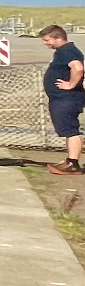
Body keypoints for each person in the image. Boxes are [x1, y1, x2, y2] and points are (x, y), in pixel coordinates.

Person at [41, 24, 84, 176]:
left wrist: (71, 84)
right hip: (61, 98)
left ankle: (73, 164)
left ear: (58, 37)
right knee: (66, 130)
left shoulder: (68, 51)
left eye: (47, 40)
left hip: (66, 99)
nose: (46, 43)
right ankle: (70, 160)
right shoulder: (62, 52)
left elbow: (78, 68)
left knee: (71, 130)